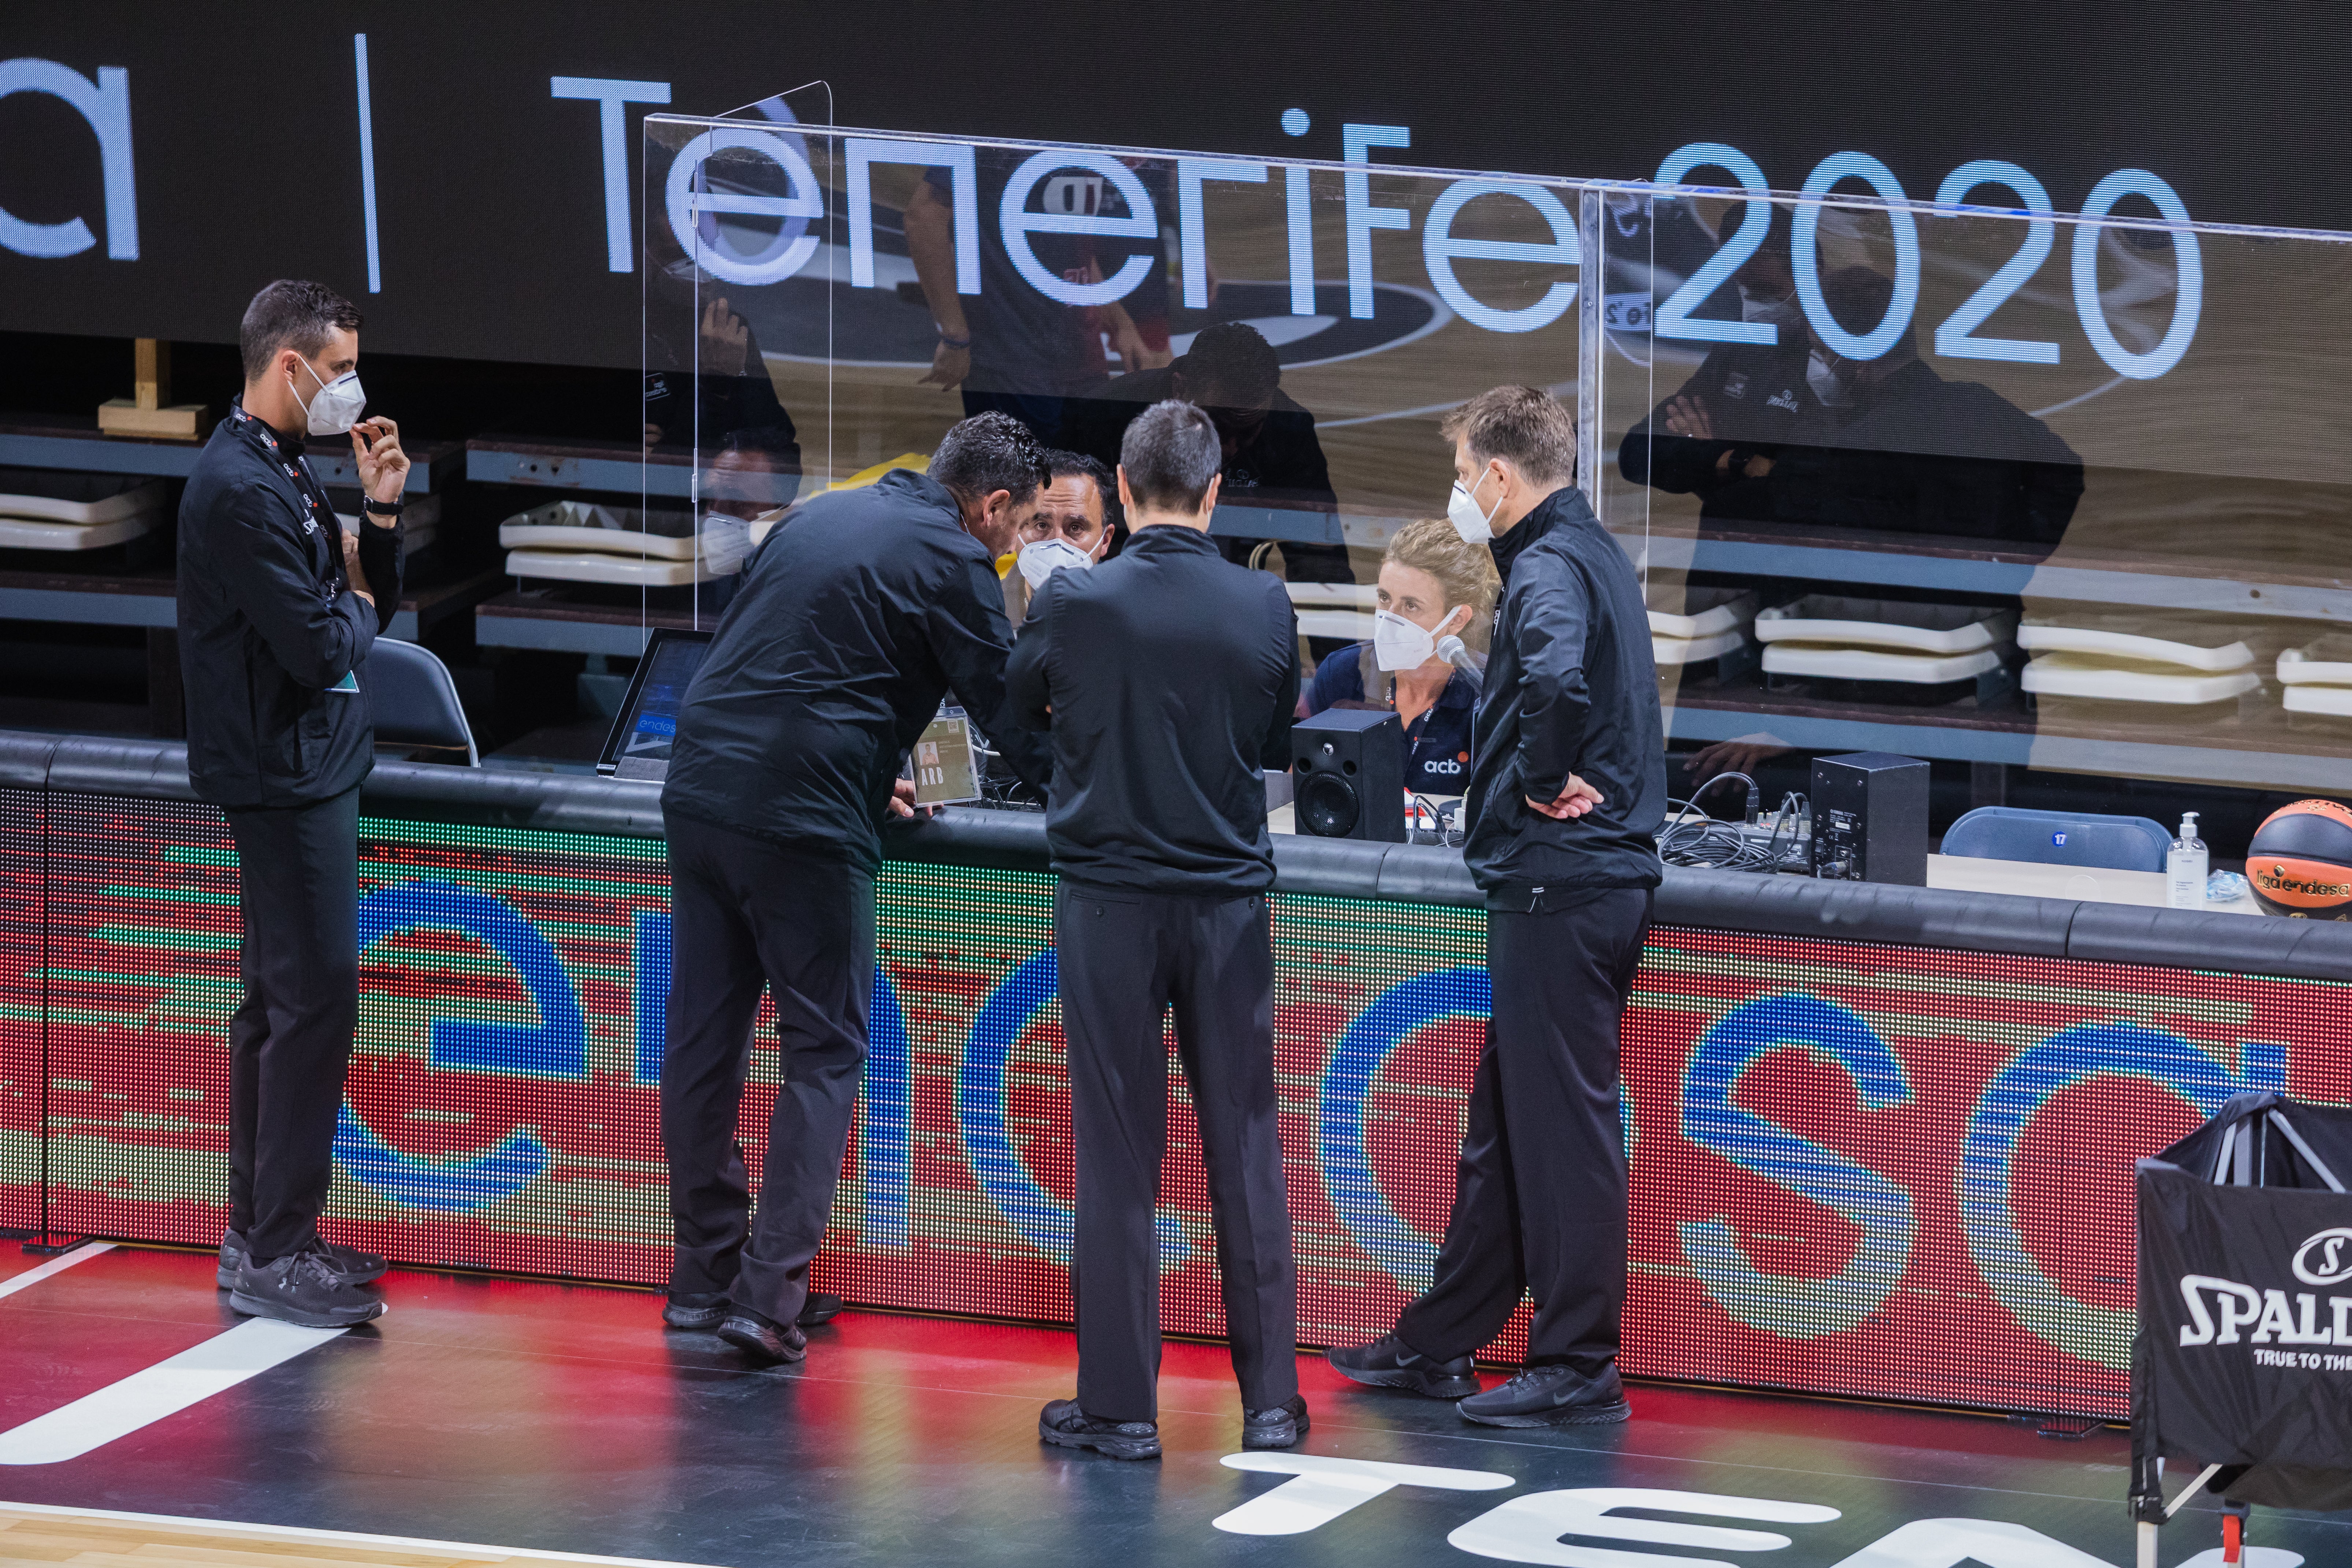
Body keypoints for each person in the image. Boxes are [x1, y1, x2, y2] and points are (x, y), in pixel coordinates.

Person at [657, 412, 1052, 1365]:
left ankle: (703, 1278)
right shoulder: (954, 559)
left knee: (702, 1043)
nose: (1019, 543)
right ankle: (766, 1297)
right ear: (990, 506)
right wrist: (1093, 800)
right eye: (1023, 524)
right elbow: (1007, 714)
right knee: (826, 1051)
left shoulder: (817, 516)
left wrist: (868, 764)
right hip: (801, 820)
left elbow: (792, 660)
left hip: (702, 787)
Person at [1329, 386, 1665, 1427]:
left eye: (1464, 468)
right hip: (1566, 886)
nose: (1459, 487)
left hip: (1560, 883)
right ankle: (1438, 1343)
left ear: (1498, 477)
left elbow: (1557, 680)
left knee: (1559, 1133)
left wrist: (1533, 777)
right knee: (1504, 1128)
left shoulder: (1550, 568)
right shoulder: (1593, 551)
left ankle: (1576, 1359)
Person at [1007, 401, 1304, 1460]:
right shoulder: (1264, 605)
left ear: (1124, 494)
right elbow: (1272, 742)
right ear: (1214, 493)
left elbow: (1011, 718)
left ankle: (1121, 1409)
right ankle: (1271, 1400)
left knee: (1119, 1155)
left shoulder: (1076, 601)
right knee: (1246, 1145)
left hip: (1108, 906)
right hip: (1226, 904)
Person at [178, 279, 411, 1327]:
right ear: (291, 366)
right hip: (283, 776)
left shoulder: (282, 467)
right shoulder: (237, 486)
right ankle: (275, 1247)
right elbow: (325, 645)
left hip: (307, 764)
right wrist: (356, 602)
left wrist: (380, 515)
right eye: (341, 366)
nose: (349, 388)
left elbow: (363, 597)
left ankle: (264, 1231)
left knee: (280, 1007)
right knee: (308, 1004)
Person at [1615, 202, 1815, 517]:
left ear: (1808, 271)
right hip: (1720, 545)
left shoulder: (1842, 366)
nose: (1749, 303)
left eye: (1762, 291)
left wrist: (1708, 457)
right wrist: (1732, 461)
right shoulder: (1740, 349)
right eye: (1739, 288)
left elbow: (1807, 490)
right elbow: (1636, 453)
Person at [1300, 517, 1497, 799]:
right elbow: (1303, 788)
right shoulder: (1342, 673)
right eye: (1384, 598)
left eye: (1411, 605)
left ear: (1457, 620)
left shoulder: (1487, 689)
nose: (1389, 617)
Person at [1005, 450, 1116, 625]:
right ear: (1016, 529)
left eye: (1075, 528)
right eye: (1041, 525)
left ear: (1105, 541)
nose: (1057, 542)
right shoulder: (984, 612)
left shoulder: (1130, 620)